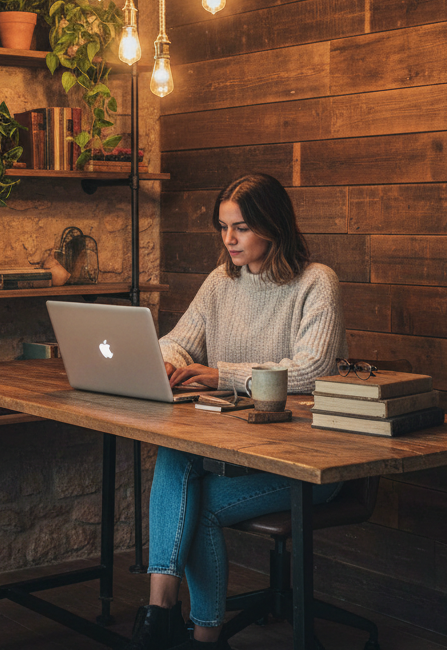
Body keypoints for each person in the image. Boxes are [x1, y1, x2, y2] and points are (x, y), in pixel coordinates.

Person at [130, 173, 347, 650]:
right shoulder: (220, 282)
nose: (229, 239)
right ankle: (166, 614)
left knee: (195, 504)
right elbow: (178, 340)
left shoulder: (316, 281)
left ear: (273, 225)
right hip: (241, 450)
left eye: (241, 228)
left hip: (309, 464)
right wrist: (166, 360)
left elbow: (312, 370)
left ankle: (187, 630)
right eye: (223, 226)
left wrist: (221, 375)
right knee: (175, 453)